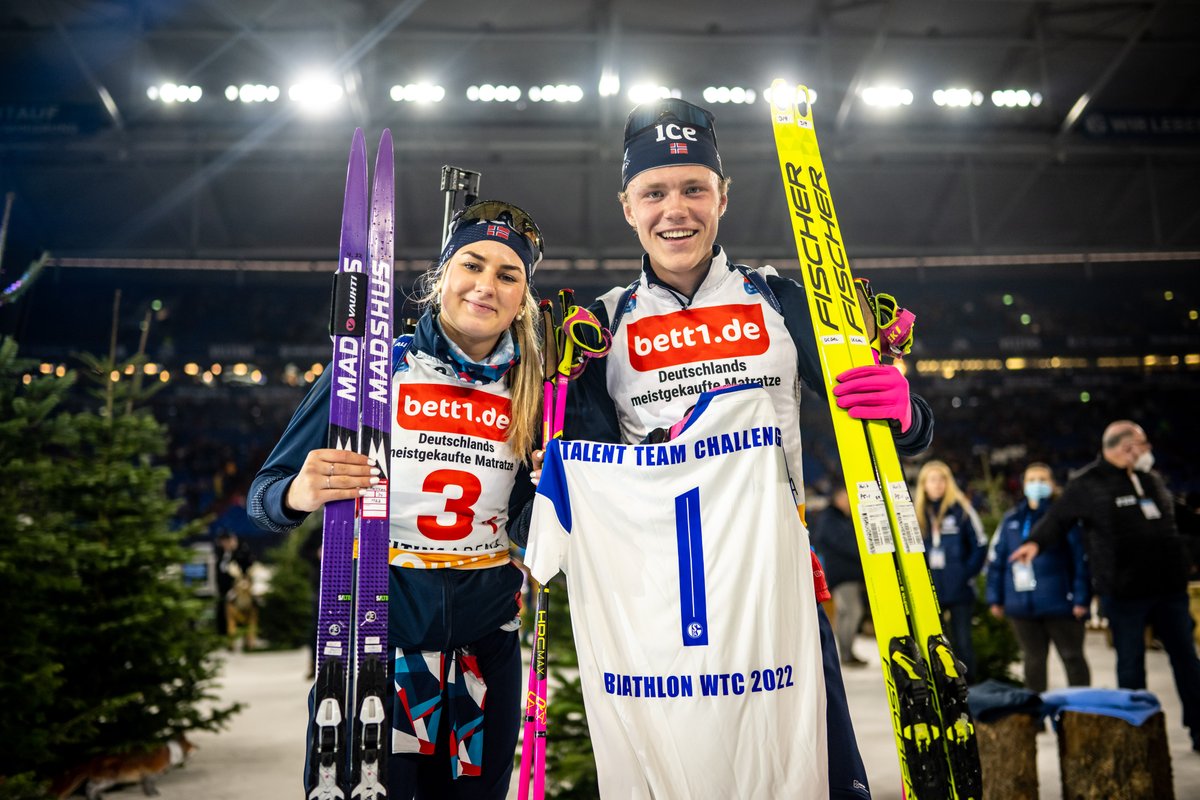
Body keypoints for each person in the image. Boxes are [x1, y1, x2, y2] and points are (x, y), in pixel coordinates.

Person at [539, 96, 936, 800]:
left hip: (775, 584)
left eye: (694, 187)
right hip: (661, 597)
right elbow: (591, 470)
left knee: (809, 773)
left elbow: (874, 422)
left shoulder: (779, 302)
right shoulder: (601, 326)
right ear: (627, 206)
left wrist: (906, 412)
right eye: (654, 192)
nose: (675, 209)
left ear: (723, 195)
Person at [248, 200, 544, 798]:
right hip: (380, 632)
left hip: (487, 645)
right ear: (442, 277)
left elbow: (530, 530)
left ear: (522, 298)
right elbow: (264, 496)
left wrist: (549, 491)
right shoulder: (373, 370)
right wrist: (299, 493)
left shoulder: (536, 392)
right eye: (472, 264)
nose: (486, 285)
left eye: (508, 275)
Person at [1011, 420, 1200, 750]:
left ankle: (1199, 728)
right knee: (1131, 664)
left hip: (1169, 591)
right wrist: (1035, 543)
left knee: (1187, 661)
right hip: (1124, 594)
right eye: (1143, 445)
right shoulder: (1088, 484)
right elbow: (1058, 519)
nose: (1147, 452)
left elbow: (1178, 515)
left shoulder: (1149, 479)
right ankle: (1137, 736)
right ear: (1126, 447)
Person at [986, 462, 1091, 693]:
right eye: (1031, 480)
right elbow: (998, 561)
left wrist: (1082, 598)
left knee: (1072, 658)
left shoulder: (1064, 519)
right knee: (1033, 661)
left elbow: (1080, 560)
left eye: (1042, 480)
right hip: (1022, 605)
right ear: (1023, 486)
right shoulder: (1011, 519)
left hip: (1061, 603)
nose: (1036, 485)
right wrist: (996, 598)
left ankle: (1083, 712)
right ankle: (1035, 716)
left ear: (1052, 484)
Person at [914, 460, 987, 679]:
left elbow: (980, 545)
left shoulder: (962, 510)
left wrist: (965, 574)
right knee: (933, 644)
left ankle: (970, 691)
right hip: (930, 590)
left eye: (942, 479)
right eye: (932, 480)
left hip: (959, 589)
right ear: (924, 484)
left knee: (963, 643)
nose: (937, 485)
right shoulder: (914, 514)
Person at [811, 484, 870, 667]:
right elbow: (844, 544)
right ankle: (845, 653)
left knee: (846, 612)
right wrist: (862, 553)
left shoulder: (838, 518)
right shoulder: (831, 519)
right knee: (852, 611)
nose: (849, 502)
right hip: (842, 574)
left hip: (845, 573)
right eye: (846, 498)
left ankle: (845, 652)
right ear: (838, 498)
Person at [213, 529, 255, 646]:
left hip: (238, 589)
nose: (223, 544)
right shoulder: (221, 553)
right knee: (221, 610)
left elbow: (247, 568)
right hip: (223, 589)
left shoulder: (241, 552)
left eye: (226, 541)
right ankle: (223, 637)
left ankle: (243, 638)